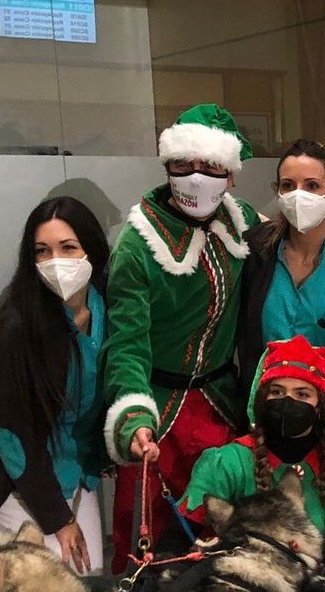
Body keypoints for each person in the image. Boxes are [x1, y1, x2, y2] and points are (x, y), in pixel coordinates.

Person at [101, 104, 258, 567]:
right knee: (142, 536)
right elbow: (126, 342)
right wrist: (133, 417)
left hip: (219, 406)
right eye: (183, 165)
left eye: (210, 167)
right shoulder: (138, 244)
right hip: (158, 409)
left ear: (230, 175)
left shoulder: (240, 221)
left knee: (222, 535)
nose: (195, 177)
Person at [0, 197, 110, 573]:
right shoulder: (16, 327)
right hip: (16, 478)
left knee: (90, 576)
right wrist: (58, 520)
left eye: (68, 248)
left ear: (92, 250)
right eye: (42, 251)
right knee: (44, 591)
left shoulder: (109, 308)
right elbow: (15, 437)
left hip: (74, 469)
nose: (55, 262)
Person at [238, 138, 325, 448]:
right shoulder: (254, 254)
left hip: (324, 425)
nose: (298, 194)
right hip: (260, 418)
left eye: (312, 185)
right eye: (288, 185)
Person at [180, 336, 325, 553]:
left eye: (302, 394)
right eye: (277, 392)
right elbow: (175, 540)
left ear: (320, 406)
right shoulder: (226, 463)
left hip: (316, 579)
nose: (288, 400)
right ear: (263, 399)